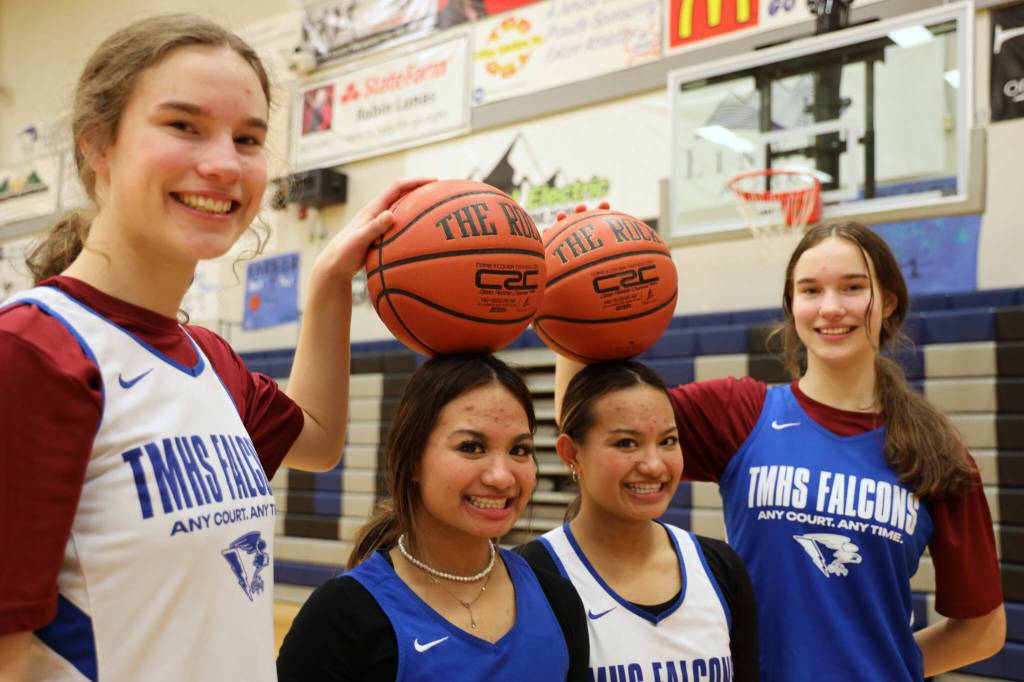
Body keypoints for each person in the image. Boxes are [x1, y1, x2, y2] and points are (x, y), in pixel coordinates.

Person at [0, 14, 431, 681]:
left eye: (249, 138)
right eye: (184, 126)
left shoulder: (207, 359)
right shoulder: (31, 354)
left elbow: (315, 440)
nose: (225, 163)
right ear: (97, 145)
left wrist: (329, 281)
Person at [552, 222, 1006, 681]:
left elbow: (982, 629)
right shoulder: (741, 412)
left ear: (887, 302)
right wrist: (567, 296)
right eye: (811, 290)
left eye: (852, 288)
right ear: (792, 304)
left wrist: (880, 667)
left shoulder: (934, 451)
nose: (831, 307)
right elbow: (592, 424)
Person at [277, 354, 589, 681]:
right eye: (471, 447)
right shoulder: (342, 616)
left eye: (519, 450)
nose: (502, 476)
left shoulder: (557, 598)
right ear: (412, 460)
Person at [519, 360, 758, 682]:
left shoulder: (720, 567)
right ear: (571, 454)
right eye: (626, 443)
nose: (654, 465)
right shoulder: (529, 575)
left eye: (668, 441)